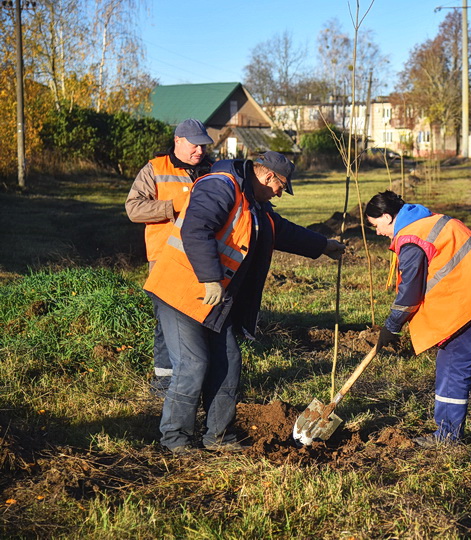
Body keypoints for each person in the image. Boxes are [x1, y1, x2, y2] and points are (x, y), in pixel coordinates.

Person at [144, 151, 346, 454]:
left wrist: (323, 245)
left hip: (214, 299)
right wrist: (210, 277)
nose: (281, 192)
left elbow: (280, 231)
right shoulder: (219, 186)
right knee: (193, 365)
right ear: (267, 176)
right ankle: (175, 440)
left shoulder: (253, 203)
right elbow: (196, 229)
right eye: (282, 186)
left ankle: (217, 437)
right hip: (181, 290)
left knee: (228, 363)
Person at [364, 190, 471, 446]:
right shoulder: (428, 220)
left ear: (388, 217)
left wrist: (392, 326)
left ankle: (447, 436)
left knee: (453, 365)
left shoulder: (411, 238)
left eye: (376, 225)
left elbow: (409, 293)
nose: (377, 232)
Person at [126, 119, 214, 397]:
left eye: (203, 145)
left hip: (202, 260)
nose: (199, 150)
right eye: (194, 144)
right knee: (167, 323)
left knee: (200, 318)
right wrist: (173, 206)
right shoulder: (155, 169)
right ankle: (164, 382)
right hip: (165, 260)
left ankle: (196, 378)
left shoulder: (211, 170)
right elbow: (134, 209)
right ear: (178, 141)